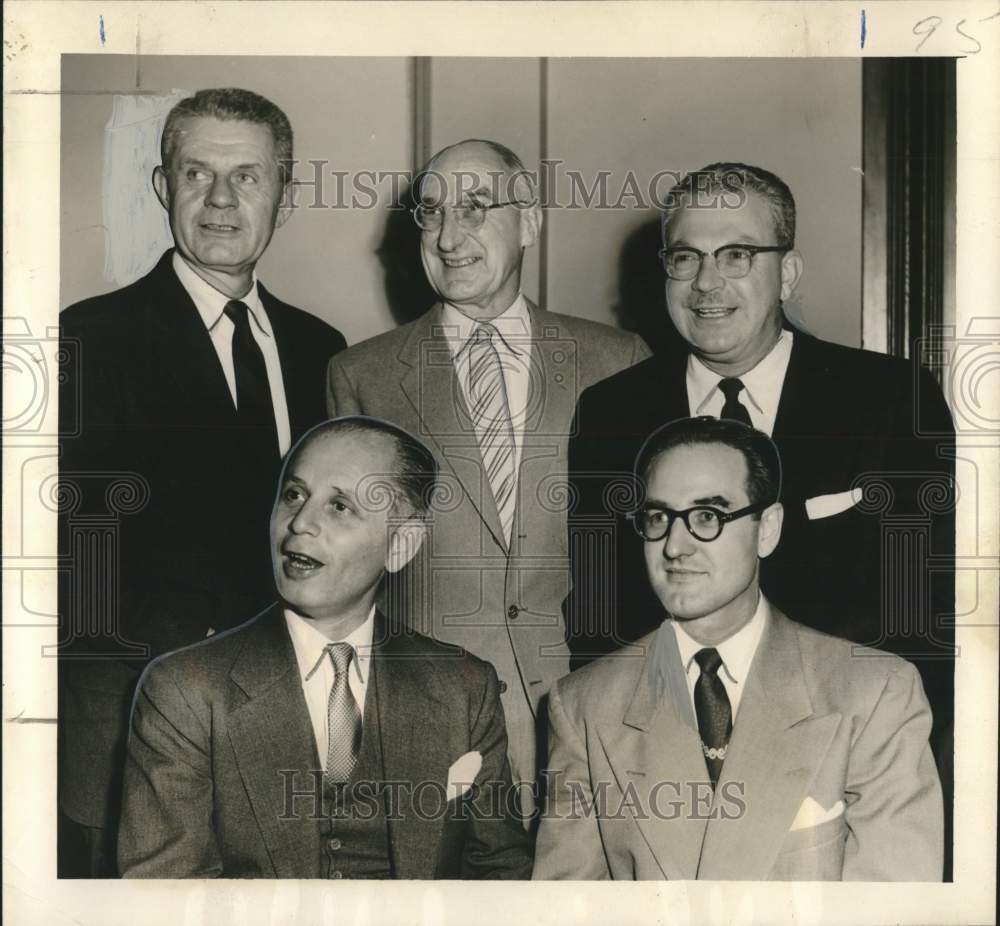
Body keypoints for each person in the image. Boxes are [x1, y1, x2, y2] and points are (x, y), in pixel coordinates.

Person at [565, 163, 954, 799]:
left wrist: (872, 760)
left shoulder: (889, 400)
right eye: (685, 257)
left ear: (788, 273)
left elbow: (929, 612)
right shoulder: (612, 413)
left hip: (845, 760)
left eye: (737, 254)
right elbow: (599, 611)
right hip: (662, 768)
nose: (707, 283)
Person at [58, 87, 347, 876]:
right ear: (164, 187)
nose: (221, 201)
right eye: (197, 175)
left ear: (284, 196)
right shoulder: (85, 341)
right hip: (130, 730)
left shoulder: (323, 348)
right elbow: (68, 568)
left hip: (288, 726)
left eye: (248, 178)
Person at [326, 139, 651, 814]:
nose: (449, 236)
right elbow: (346, 581)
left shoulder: (617, 361)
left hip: (592, 717)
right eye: (432, 212)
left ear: (529, 221)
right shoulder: (362, 375)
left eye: (476, 208)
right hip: (424, 723)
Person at [118, 417, 532, 879]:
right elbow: (164, 899)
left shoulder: (464, 688)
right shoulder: (186, 691)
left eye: (339, 506)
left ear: (402, 544)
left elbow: (500, 873)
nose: (300, 523)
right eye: (294, 494)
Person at [534, 417, 943, 881]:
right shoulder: (583, 705)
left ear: (767, 529)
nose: (675, 546)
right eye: (658, 517)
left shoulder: (875, 694)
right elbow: (568, 905)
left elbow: (894, 904)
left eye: (707, 516)